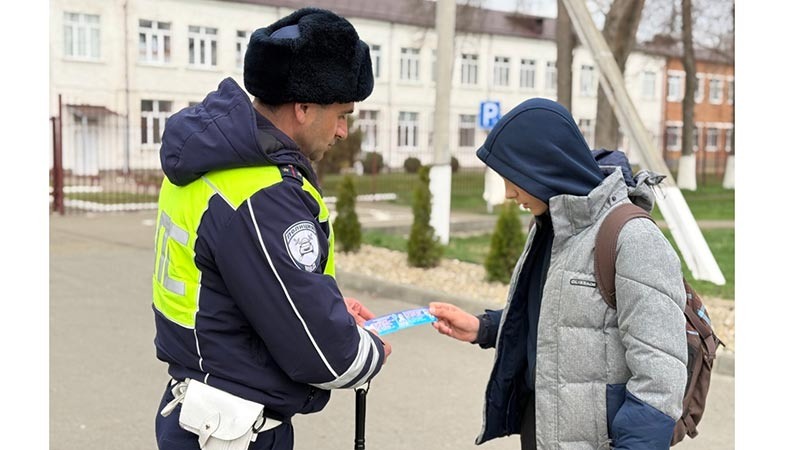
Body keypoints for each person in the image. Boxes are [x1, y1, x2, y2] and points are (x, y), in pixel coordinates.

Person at [152, 8, 390, 450]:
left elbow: (240, 285)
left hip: (197, 405)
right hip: (235, 429)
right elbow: (325, 355)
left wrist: (321, 305)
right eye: (341, 114)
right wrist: (367, 349)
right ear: (303, 108)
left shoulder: (208, 159)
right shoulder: (263, 192)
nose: (343, 131)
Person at [429, 98, 687, 450]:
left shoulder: (633, 238)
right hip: (542, 431)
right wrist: (484, 328)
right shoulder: (553, 227)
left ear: (543, 167)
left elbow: (660, 376)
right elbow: (563, 319)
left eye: (513, 178)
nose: (509, 193)